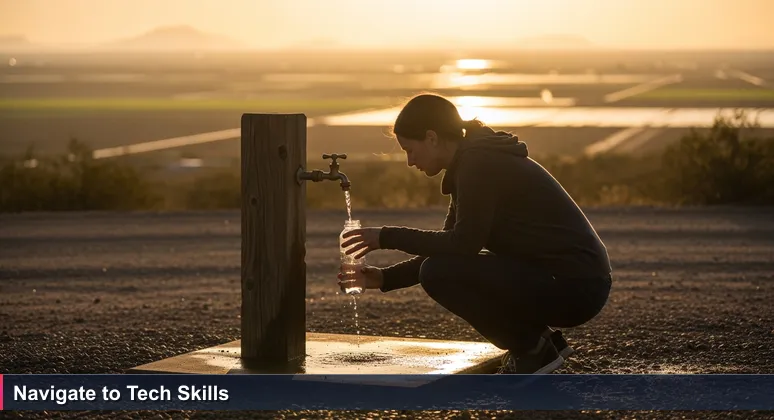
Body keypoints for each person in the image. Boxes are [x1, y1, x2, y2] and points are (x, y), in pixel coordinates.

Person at [338, 93, 613, 374]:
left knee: (438, 272)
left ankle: (533, 349)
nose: (410, 161)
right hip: (571, 280)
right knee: (440, 267)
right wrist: (386, 277)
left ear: (431, 138)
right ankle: (541, 342)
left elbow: (462, 246)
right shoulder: (472, 163)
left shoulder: (478, 165)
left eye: (410, 150)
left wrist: (386, 236)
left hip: (575, 287)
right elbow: (448, 249)